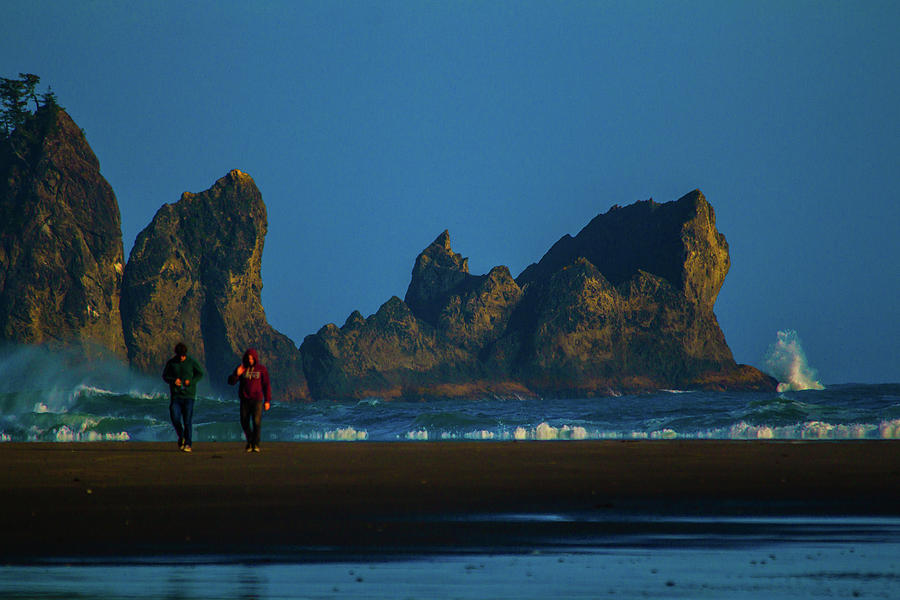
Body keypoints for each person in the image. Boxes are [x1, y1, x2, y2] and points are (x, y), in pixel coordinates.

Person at [162, 342, 204, 452]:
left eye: (183, 356)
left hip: (189, 396)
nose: (182, 358)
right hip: (176, 396)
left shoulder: (191, 362)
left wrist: (191, 382)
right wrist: (173, 380)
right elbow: (165, 376)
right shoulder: (172, 363)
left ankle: (188, 444)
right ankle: (181, 436)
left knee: (187, 421)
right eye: (180, 356)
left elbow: (200, 374)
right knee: (175, 418)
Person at [228, 348, 271, 452]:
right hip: (245, 400)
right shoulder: (241, 368)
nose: (250, 360)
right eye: (248, 358)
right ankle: (250, 441)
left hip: (257, 400)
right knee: (244, 421)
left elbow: (266, 385)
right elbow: (231, 382)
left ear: (255, 358)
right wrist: (237, 374)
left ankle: (255, 444)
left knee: (256, 422)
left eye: (252, 358)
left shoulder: (261, 369)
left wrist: (267, 400)